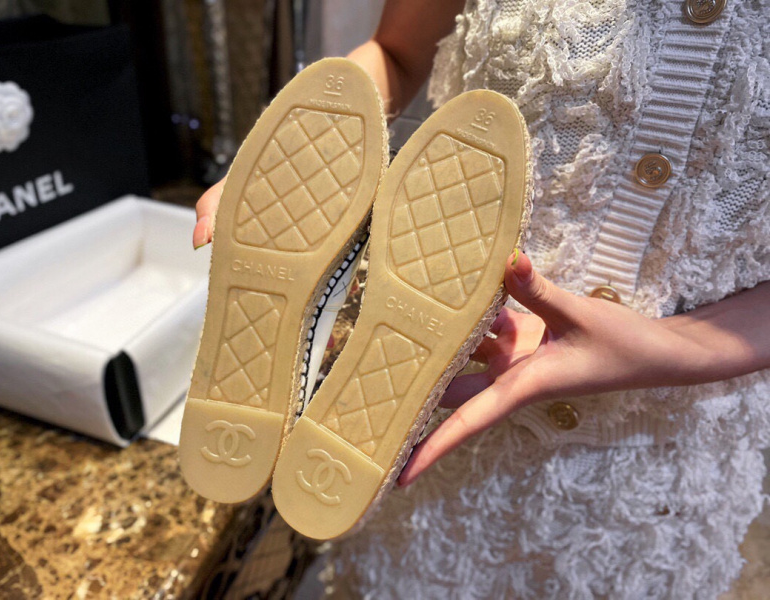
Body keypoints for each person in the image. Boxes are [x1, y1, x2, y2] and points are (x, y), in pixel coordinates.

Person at [193, 1, 770, 597]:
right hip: (447, 402)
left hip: (674, 451)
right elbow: (396, 53)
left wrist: (674, 348)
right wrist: (307, 148)